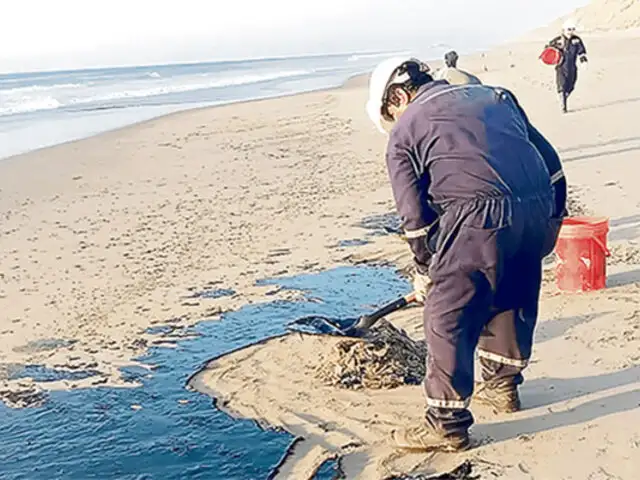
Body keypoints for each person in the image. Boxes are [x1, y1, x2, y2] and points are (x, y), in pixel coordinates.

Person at [365, 57, 567, 452]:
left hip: (477, 213)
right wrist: (553, 218)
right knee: (512, 291)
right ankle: (502, 386)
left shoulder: (405, 130)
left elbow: (415, 218)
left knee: (447, 312)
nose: (393, 121)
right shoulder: (497, 96)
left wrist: (427, 269)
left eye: (390, 114)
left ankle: (446, 423)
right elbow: (552, 164)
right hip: (537, 204)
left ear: (398, 96)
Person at [547, 20, 588, 113]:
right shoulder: (558, 40)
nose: (571, 31)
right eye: (569, 29)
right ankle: (563, 104)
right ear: (564, 30)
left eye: (573, 29)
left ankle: (564, 97)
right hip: (561, 66)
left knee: (571, 86)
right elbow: (548, 50)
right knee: (562, 85)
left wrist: (584, 61)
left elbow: (581, 52)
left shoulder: (576, 40)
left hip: (572, 67)